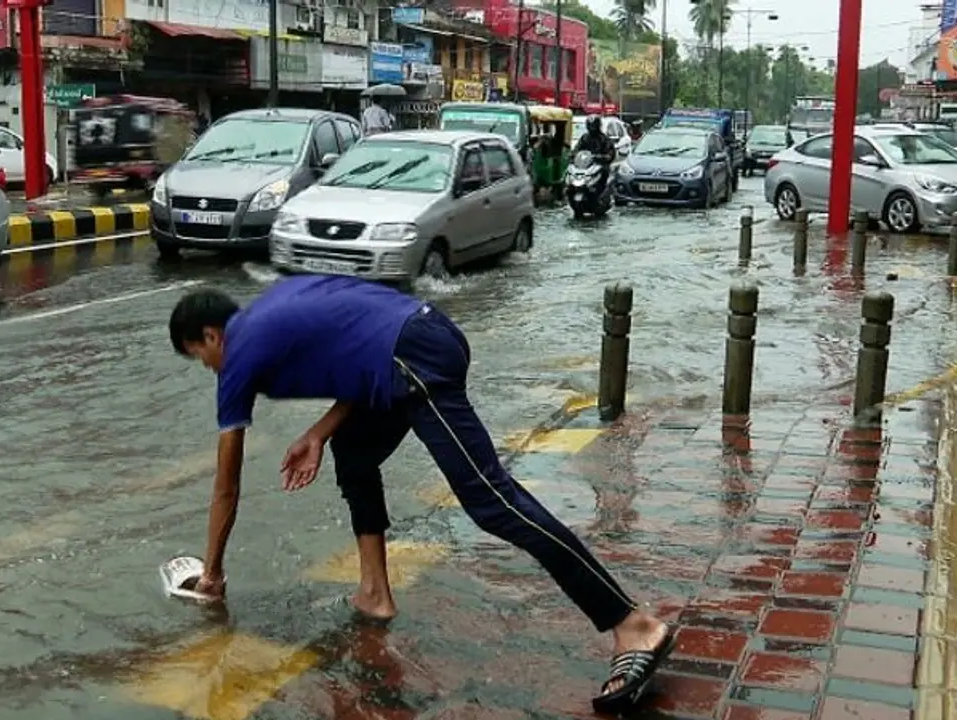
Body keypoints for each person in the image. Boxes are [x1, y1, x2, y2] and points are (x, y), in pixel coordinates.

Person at [167, 275, 674, 714]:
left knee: (489, 501)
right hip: (417, 338)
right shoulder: (277, 306)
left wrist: (212, 574)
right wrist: (319, 433)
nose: (208, 368)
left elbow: (226, 486)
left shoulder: (238, 357)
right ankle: (374, 592)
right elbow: (366, 350)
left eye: (199, 357)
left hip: (415, 356)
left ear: (211, 335)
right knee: (355, 452)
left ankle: (631, 623)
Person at [573, 115, 616, 188]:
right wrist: (573, 155)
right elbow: (577, 149)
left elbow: (610, 154)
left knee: (604, 174)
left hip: (599, 165)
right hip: (585, 166)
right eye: (590, 126)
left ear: (598, 126)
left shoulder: (604, 139)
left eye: (593, 126)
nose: (592, 128)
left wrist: (602, 157)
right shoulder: (585, 138)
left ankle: (603, 193)